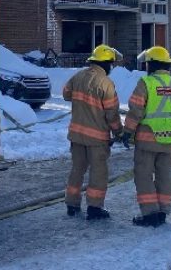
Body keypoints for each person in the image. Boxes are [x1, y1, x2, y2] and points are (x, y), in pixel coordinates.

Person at [123, 46, 171, 227]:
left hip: (148, 139)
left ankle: (150, 214)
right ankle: (163, 212)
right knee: (165, 175)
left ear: (152, 65)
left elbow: (135, 111)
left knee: (144, 175)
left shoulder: (146, 83)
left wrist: (127, 131)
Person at [62, 44, 124, 220]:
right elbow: (112, 114)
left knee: (77, 169)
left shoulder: (78, 76)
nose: (111, 67)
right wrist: (119, 132)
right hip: (97, 139)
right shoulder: (106, 83)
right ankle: (94, 208)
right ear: (105, 63)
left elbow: (66, 94)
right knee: (98, 172)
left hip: (76, 135)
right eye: (110, 64)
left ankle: (71, 204)